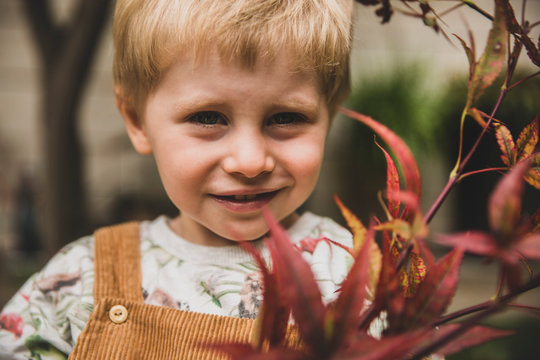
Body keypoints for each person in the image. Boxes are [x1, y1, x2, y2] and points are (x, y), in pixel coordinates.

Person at [0, 0, 356, 358]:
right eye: (207, 118)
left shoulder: (361, 275)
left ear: (329, 114)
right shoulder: (77, 280)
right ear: (137, 120)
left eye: (286, 118)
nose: (249, 162)